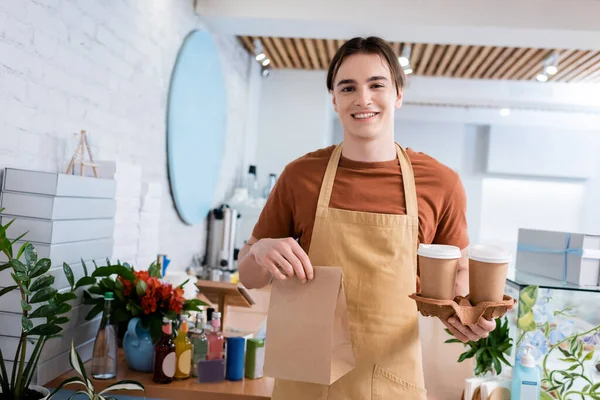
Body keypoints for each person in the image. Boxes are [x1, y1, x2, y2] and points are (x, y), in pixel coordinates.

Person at [237, 36, 502, 400]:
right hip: (306, 383)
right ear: (334, 99)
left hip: (390, 381)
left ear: (398, 94)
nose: (363, 99)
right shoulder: (301, 176)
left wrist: (464, 311)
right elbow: (249, 277)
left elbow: (459, 268)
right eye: (348, 87)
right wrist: (260, 249)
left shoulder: (440, 183)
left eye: (376, 84)